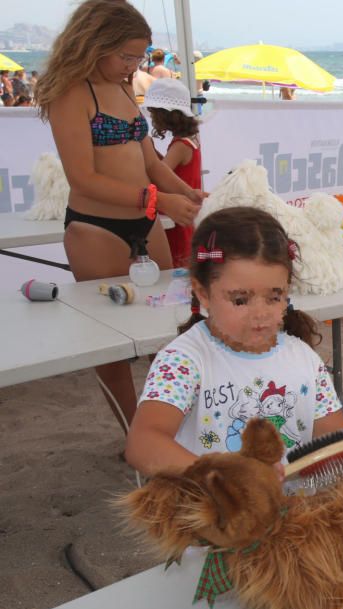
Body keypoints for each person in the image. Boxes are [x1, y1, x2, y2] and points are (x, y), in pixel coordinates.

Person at [34, 0, 203, 435]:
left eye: (139, 56)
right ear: (94, 43)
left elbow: (150, 162)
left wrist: (185, 191)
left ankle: (170, 426)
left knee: (168, 327)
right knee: (110, 343)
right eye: (126, 55)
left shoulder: (125, 86)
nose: (133, 65)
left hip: (144, 219)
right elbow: (84, 179)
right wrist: (159, 202)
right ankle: (137, 434)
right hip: (96, 229)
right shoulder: (70, 92)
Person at [124, 207, 343, 477]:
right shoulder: (184, 360)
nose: (260, 314)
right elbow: (143, 443)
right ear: (203, 293)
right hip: (213, 511)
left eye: (274, 297)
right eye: (240, 300)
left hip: (288, 513)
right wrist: (227, 482)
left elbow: (341, 445)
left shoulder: (303, 359)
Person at [144, 77, 202, 269]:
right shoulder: (189, 140)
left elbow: (160, 173)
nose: (152, 119)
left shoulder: (179, 145)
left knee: (175, 263)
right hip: (184, 210)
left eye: (153, 114)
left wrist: (148, 152)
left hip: (175, 214)